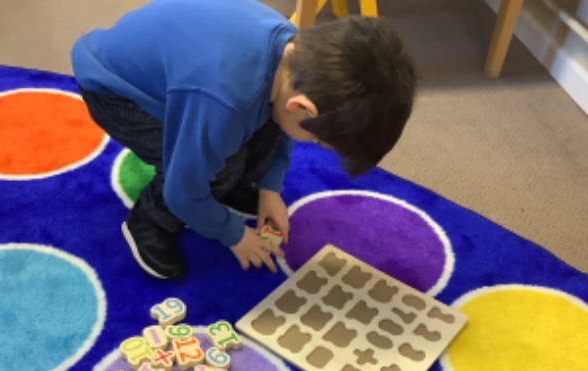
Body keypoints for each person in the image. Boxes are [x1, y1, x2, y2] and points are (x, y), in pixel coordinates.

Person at [72, 0, 416, 279]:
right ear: (303, 107)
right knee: (217, 170)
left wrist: (270, 189)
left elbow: (282, 122)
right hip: (114, 91)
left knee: (264, 124)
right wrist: (234, 235)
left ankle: (229, 186)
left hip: (183, 76)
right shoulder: (223, 102)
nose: (312, 144)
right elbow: (184, 188)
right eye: (317, 141)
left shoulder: (297, 57)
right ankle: (150, 218)